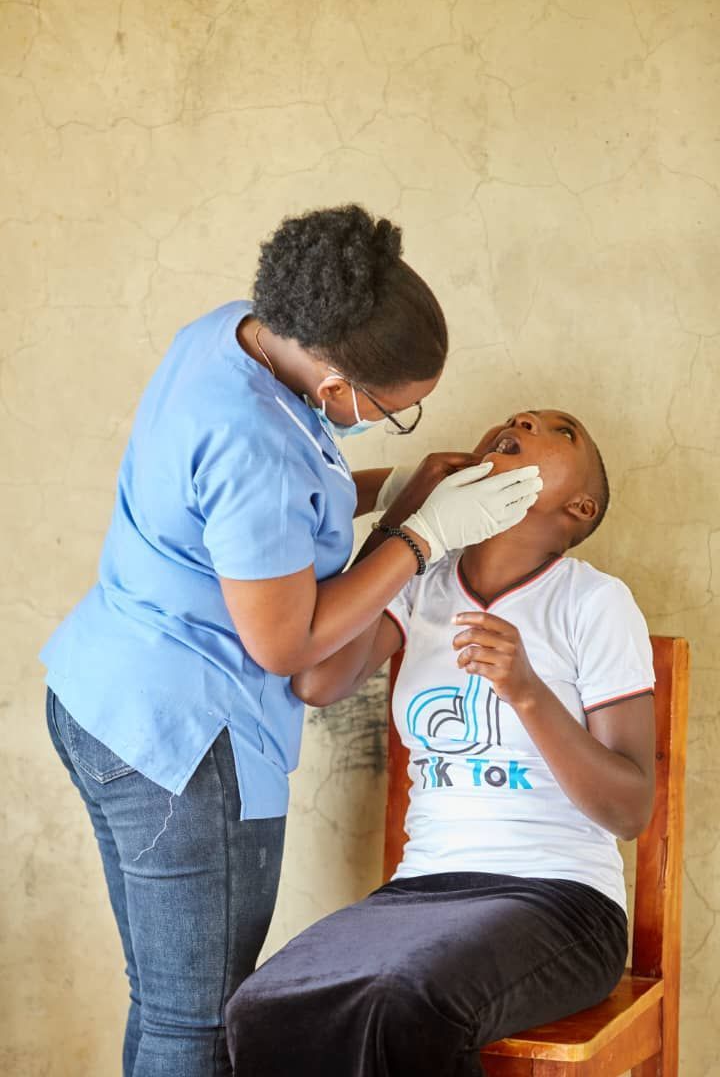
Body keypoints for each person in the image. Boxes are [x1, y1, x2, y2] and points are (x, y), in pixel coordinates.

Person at [39, 204, 542, 1077]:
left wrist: (399, 489)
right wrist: (421, 538)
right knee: (198, 1024)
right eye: (394, 412)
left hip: (100, 695)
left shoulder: (237, 332)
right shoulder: (255, 439)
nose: (389, 422)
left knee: (166, 1004)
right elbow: (288, 645)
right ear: (338, 380)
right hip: (183, 744)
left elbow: (271, 514)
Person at [225, 408, 657, 1077]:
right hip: (422, 893)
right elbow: (318, 680)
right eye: (517, 418)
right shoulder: (422, 581)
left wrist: (527, 692)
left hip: (560, 901)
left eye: (562, 430)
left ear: (580, 507)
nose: (523, 418)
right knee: (261, 1006)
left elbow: (628, 810)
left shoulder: (593, 602)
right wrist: (410, 524)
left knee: (407, 1003)